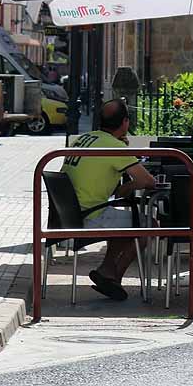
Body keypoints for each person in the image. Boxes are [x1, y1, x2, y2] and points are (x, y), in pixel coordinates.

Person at [62, 98, 156, 301]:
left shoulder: (84, 139)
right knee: (150, 224)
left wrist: (124, 186)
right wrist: (130, 186)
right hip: (89, 216)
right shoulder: (114, 147)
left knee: (126, 219)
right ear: (125, 122)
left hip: (68, 214)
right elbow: (148, 181)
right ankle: (114, 276)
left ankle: (106, 268)